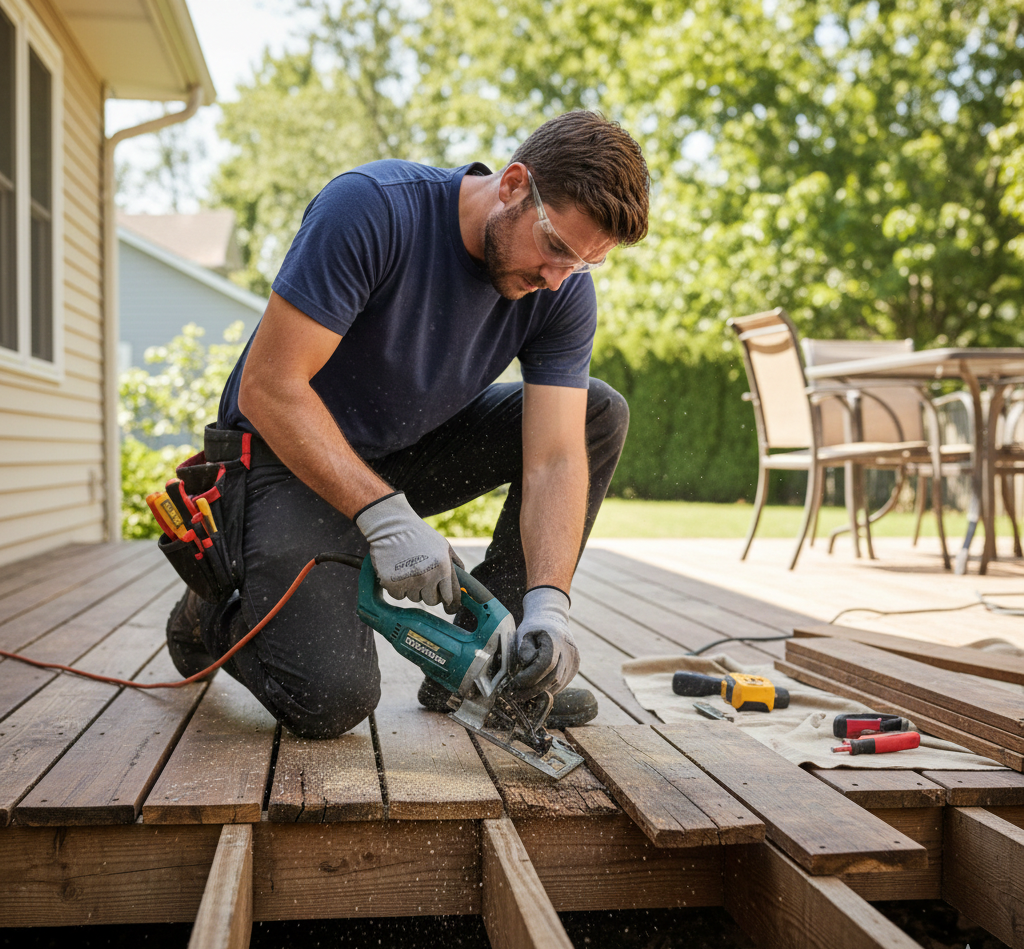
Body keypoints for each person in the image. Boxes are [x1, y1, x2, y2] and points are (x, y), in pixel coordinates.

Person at [165, 110, 650, 738]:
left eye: (584, 264)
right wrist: (385, 514)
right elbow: (269, 387)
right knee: (332, 698)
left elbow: (556, 456)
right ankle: (211, 618)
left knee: (596, 411)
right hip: (278, 456)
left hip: (397, 452)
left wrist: (548, 604)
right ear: (512, 184)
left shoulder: (558, 289)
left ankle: (493, 669)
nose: (558, 278)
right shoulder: (372, 209)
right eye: (556, 246)